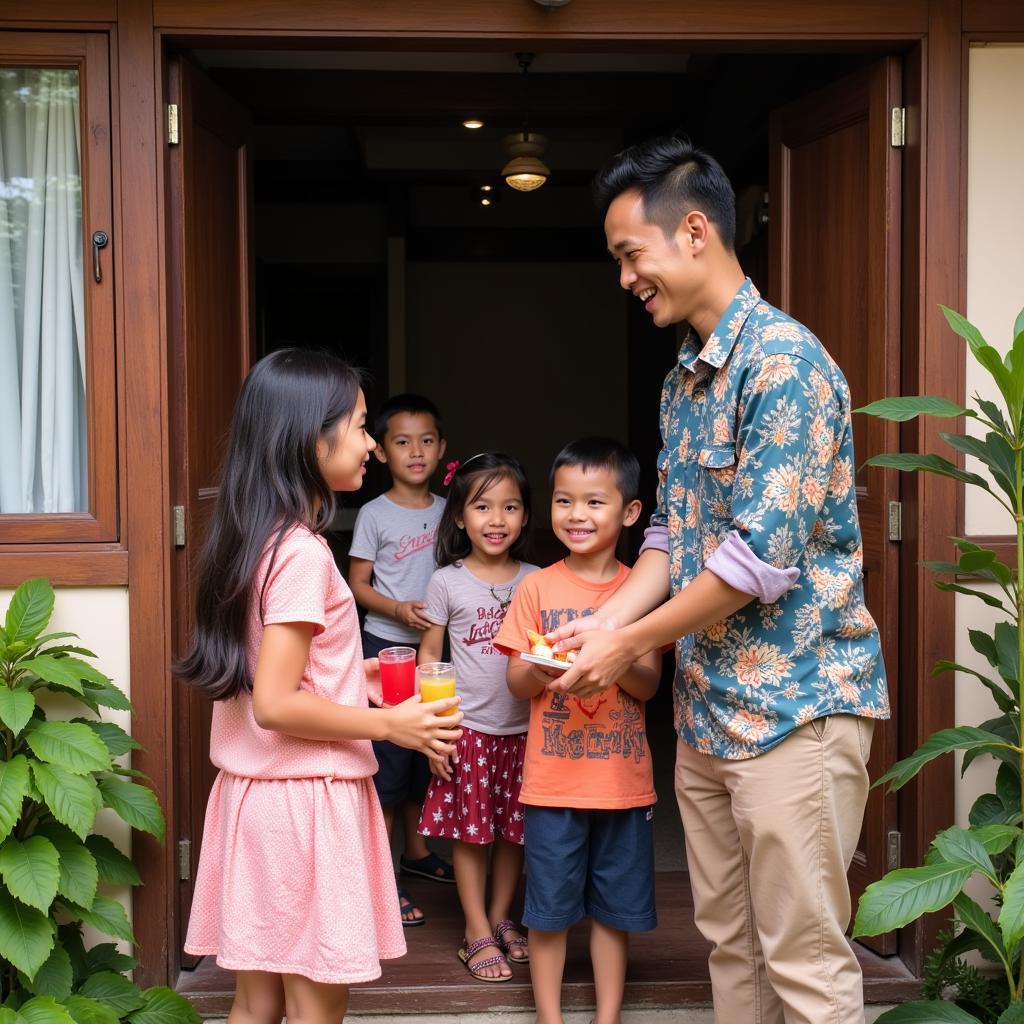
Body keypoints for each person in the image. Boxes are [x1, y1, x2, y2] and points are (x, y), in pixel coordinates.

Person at [546, 137, 890, 1023]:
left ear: (694, 231)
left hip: (795, 713)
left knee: (806, 962)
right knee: (731, 948)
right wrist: (608, 617)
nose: (626, 278)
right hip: (706, 710)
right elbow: (673, 531)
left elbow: (751, 563)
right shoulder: (684, 381)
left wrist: (627, 640)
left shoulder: (787, 366)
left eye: (632, 255)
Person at [177, 349, 463, 1024]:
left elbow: (273, 673)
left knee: (256, 1001)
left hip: (254, 799)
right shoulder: (303, 553)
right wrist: (391, 725)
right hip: (304, 801)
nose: (371, 444)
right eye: (362, 427)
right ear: (313, 438)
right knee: (314, 1004)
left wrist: (352, 676)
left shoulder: (255, 536)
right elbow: (277, 705)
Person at [494, 437, 662, 1024]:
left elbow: (648, 685)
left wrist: (615, 657)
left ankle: (607, 1016)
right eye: (565, 501)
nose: (577, 515)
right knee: (548, 909)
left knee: (615, 911)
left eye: (595, 502)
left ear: (630, 512)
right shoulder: (537, 587)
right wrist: (540, 668)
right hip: (552, 786)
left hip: (621, 784)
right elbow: (516, 683)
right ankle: (549, 1016)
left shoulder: (640, 592)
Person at [415, 452, 537, 983]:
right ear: (460, 517)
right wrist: (436, 733)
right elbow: (428, 660)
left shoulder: (537, 579)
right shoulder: (446, 581)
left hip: (527, 731)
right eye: (482, 507)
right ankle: (474, 929)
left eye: (510, 507)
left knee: (515, 833)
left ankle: (501, 916)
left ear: (526, 517)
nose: (496, 519)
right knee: (472, 835)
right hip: (471, 733)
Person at [348, 393, 453, 928]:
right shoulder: (373, 513)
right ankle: (382, 876)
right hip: (382, 652)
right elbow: (357, 585)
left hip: (434, 653)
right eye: (402, 441)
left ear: (442, 449)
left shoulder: (451, 512)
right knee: (388, 761)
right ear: (383, 452)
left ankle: (416, 854)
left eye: (427, 440)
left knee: (423, 760)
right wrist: (397, 608)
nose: (416, 451)